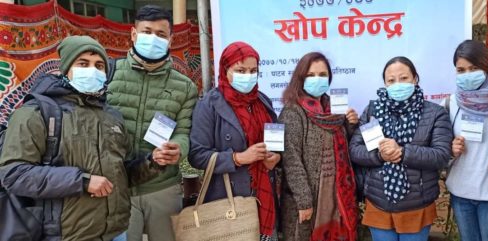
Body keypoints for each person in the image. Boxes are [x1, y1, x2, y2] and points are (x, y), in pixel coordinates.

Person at [0, 36, 163, 241]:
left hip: (115, 232)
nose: (92, 70)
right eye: (83, 64)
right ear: (66, 69)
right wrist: (82, 181)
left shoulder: (111, 116)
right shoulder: (36, 113)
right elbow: (14, 174)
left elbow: (120, 175)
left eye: (99, 65)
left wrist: (153, 162)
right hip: (65, 234)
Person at [107, 5, 198, 241]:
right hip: (116, 185)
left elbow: (183, 130)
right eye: (147, 32)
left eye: (160, 34)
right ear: (133, 34)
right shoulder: (108, 73)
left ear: (170, 39)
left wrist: (178, 149)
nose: (153, 39)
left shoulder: (185, 86)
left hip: (162, 186)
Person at [349, 56, 452, 241]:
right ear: (385, 84)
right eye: (391, 80)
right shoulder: (373, 110)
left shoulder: (435, 113)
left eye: (404, 78)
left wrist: (403, 153)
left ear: (415, 79)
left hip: (417, 205)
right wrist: (380, 156)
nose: (398, 84)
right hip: (378, 202)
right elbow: (355, 150)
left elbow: (441, 155)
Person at [188, 41, 279, 240]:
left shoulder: (263, 102)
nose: (248, 76)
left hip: (265, 197)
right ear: (225, 69)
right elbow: (197, 155)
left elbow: (276, 141)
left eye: (253, 70)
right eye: (240, 70)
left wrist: (276, 157)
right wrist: (238, 158)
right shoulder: (209, 105)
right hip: (229, 201)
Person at [278, 52, 359, 240]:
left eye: (323, 75)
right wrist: (304, 201)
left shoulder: (335, 108)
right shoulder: (293, 111)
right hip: (309, 197)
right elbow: (291, 160)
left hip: (336, 194)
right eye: (311, 75)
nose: (318, 79)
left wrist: (351, 124)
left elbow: (346, 147)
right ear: (300, 78)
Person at [444, 40, 488, 241]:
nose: (467, 74)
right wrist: (450, 149)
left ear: (486, 66)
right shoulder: (450, 103)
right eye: (461, 70)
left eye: (473, 68)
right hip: (461, 194)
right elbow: (439, 146)